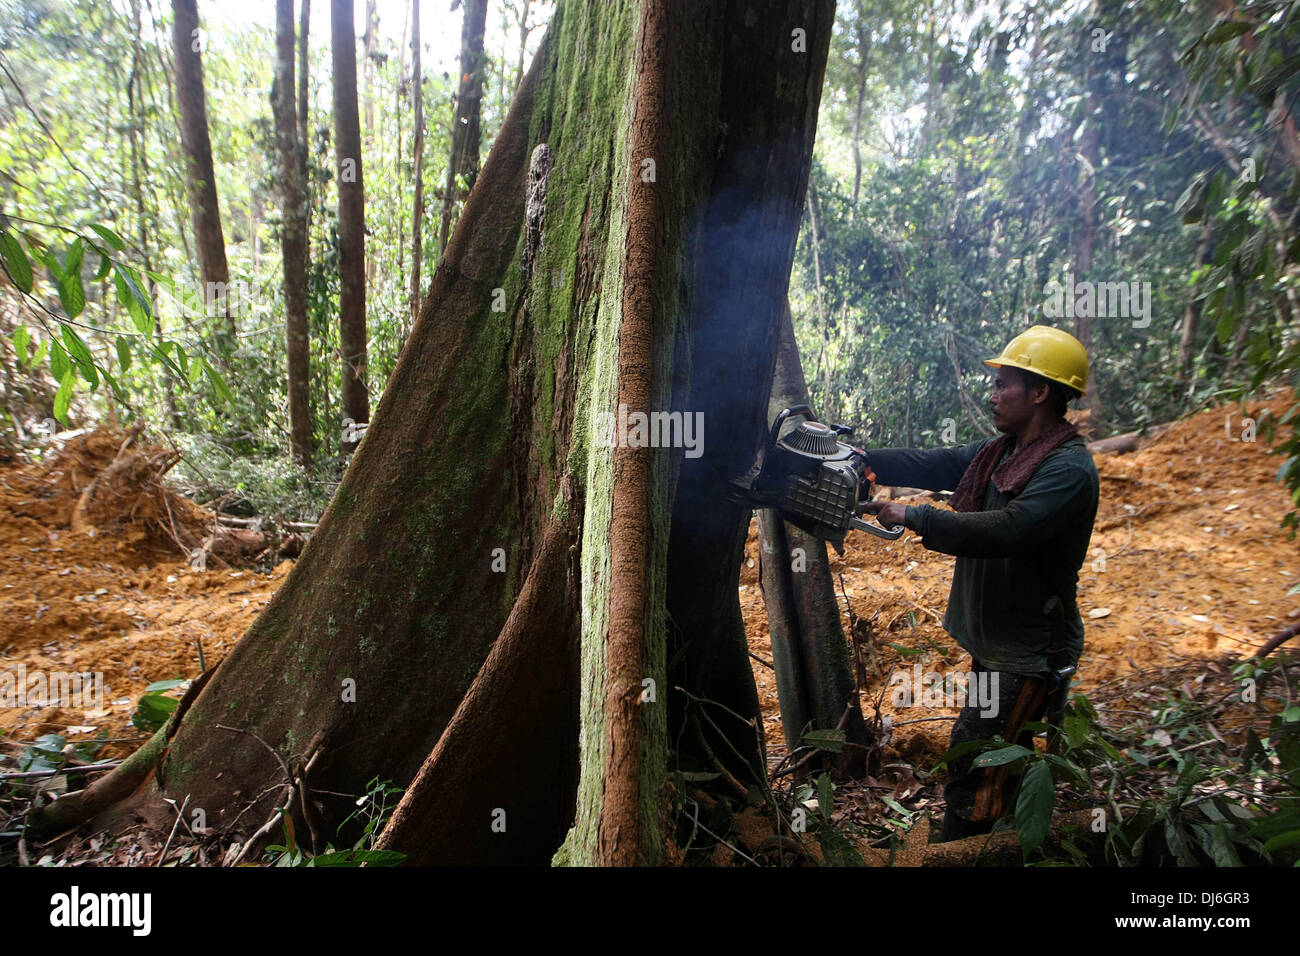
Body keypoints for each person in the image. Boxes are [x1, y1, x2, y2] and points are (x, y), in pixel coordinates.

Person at [862, 325, 1099, 842]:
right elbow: (937, 462)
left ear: (1039, 392)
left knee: (978, 757)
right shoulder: (1002, 452)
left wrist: (913, 515)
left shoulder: (1068, 468)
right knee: (994, 759)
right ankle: (998, 845)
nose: (993, 395)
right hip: (999, 644)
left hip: (1029, 651)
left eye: (1004, 384)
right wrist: (868, 461)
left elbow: (1010, 529)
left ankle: (960, 851)